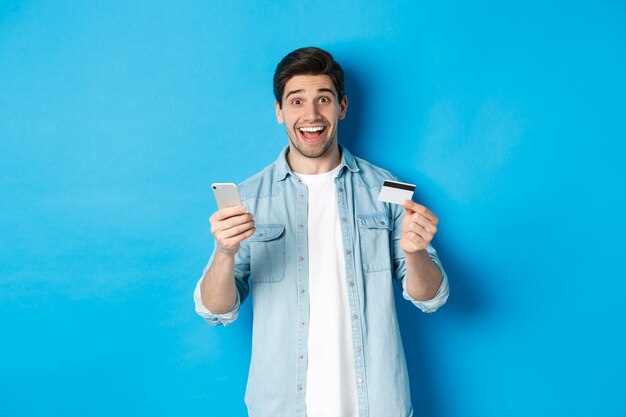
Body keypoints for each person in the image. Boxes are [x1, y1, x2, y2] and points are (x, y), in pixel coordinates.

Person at [194, 47, 449, 417]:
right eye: (296, 101)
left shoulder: (386, 187)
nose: (311, 115)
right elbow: (214, 311)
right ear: (279, 112)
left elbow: (432, 297)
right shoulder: (249, 197)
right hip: (281, 406)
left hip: (376, 405)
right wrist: (224, 253)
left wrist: (415, 253)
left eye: (323, 99)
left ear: (342, 107)